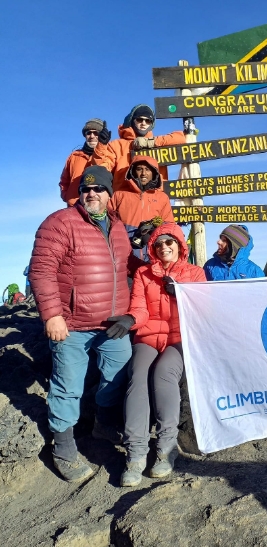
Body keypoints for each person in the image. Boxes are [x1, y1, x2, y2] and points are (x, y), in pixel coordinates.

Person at [29, 165, 142, 483]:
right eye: (85, 189)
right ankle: (63, 450)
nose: (91, 193)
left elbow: (127, 263)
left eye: (98, 189)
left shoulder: (118, 226)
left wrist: (157, 262)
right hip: (72, 324)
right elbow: (41, 269)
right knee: (67, 388)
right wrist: (52, 315)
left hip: (112, 325)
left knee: (117, 377)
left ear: (109, 194)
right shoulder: (60, 222)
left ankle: (103, 425)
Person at [116, 223, 206, 487]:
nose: (164, 247)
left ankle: (166, 448)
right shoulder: (144, 274)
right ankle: (136, 453)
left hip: (181, 338)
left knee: (163, 374)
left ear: (180, 245)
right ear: (152, 249)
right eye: (159, 244)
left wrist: (180, 293)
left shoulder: (195, 273)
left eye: (170, 242)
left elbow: (203, 309)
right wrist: (129, 319)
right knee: (138, 376)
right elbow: (140, 308)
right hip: (149, 335)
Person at [91, 104, 186, 192]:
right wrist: (101, 146)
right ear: (132, 120)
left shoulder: (158, 144)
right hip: (125, 199)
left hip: (154, 200)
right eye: (140, 119)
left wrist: (151, 142)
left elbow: (183, 138)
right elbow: (101, 169)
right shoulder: (116, 145)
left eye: (148, 120)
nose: (143, 123)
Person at [109, 155, 175, 260]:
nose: (143, 173)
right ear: (133, 171)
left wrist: (154, 231)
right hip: (123, 254)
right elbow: (107, 221)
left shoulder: (162, 198)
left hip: (153, 254)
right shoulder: (119, 195)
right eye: (139, 169)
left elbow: (169, 227)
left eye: (148, 169)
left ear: (154, 173)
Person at [59, 119, 111, 206]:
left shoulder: (109, 155)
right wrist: (67, 196)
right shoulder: (74, 156)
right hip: (74, 207)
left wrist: (101, 146)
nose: (92, 136)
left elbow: (100, 170)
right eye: (88, 133)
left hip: (98, 206)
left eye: (96, 133)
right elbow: (64, 181)